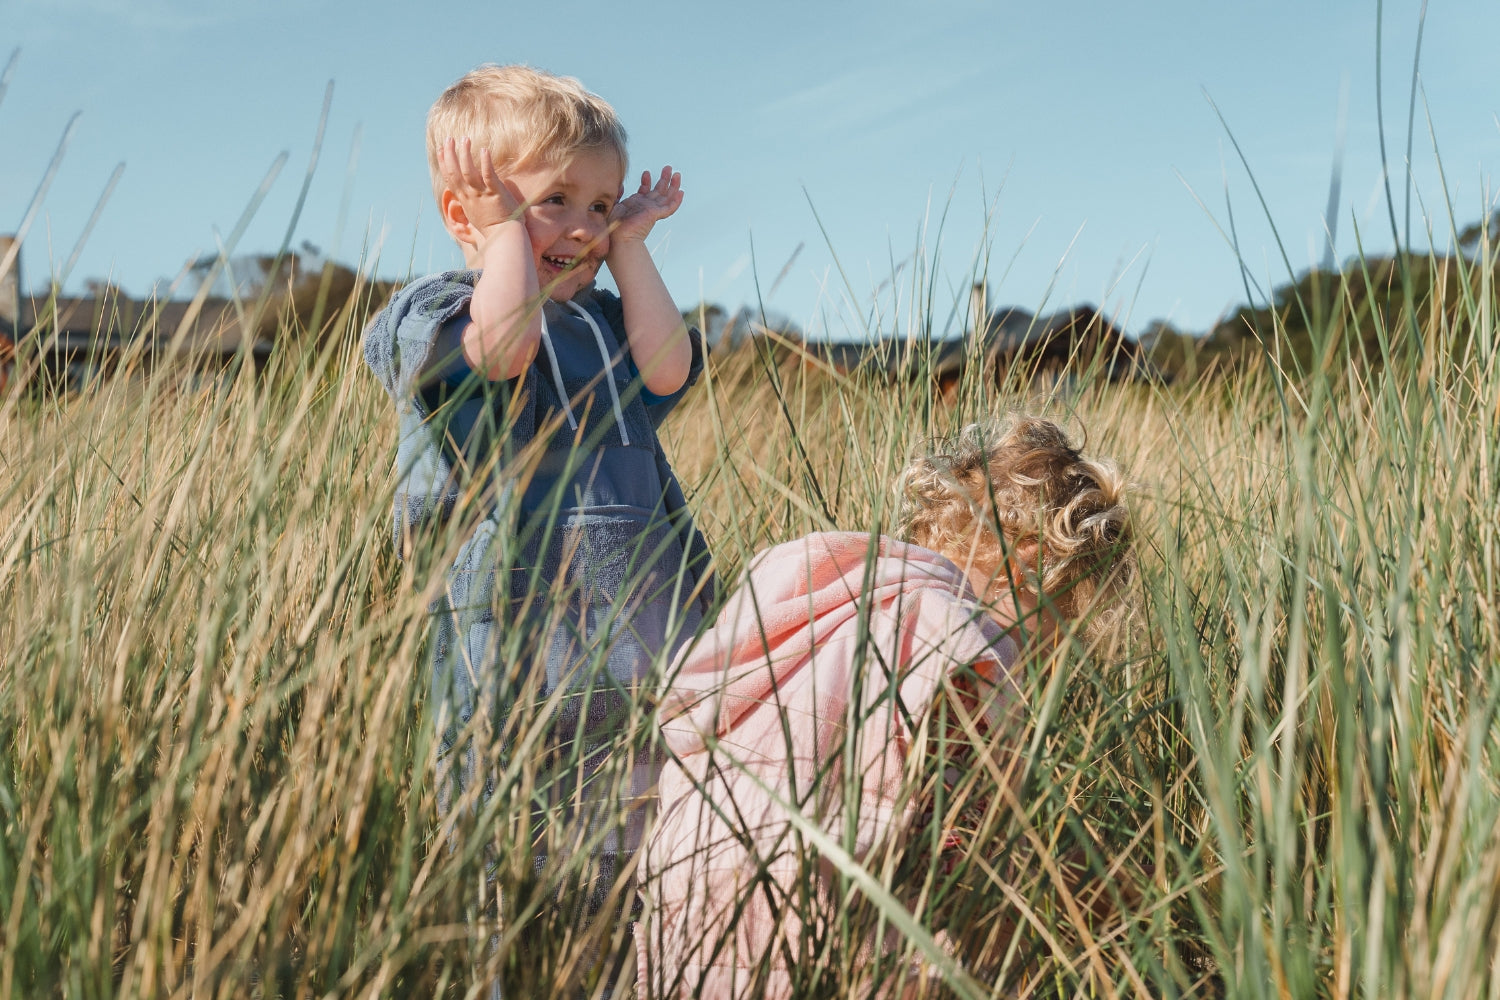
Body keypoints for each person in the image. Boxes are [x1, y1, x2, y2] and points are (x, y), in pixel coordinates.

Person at [361, 64, 713, 992]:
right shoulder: (426, 316)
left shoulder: (606, 322)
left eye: (601, 204)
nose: (586, 227)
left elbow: (671, 370)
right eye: (555, 200)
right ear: (463, 214)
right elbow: (504, 345)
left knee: (638, 884)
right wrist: (504, 239)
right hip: (507, 668)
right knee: (511, 884)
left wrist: (632, 248)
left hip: (640, 664)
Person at [638, 415, 1134, 999]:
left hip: (688, 937)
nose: (1041, 656)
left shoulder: (817, 591)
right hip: (817, 955)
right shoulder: (954, 644)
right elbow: (970, 856)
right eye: (1061, 616)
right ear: (1028, 558)